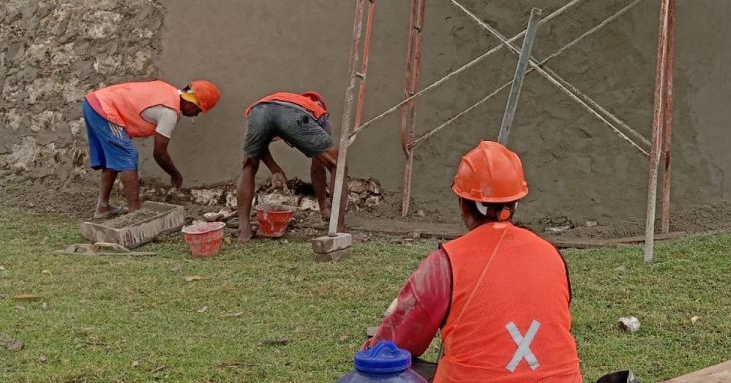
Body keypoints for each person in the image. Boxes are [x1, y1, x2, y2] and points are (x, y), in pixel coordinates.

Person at [366, 141, 583, 382]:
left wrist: (369, 349)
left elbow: (393, 344)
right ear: (515, 203)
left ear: (462, 204)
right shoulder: (551, 255)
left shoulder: (445, 264)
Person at [82, 79, 221, 218]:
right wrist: (175, 175)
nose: (196, 114)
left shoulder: (168, 91)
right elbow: (159, 152)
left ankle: (103, 207)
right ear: (191, 101)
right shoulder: (169, 112)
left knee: (114, 157)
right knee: (128, 156)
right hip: (104, 107)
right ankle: (135, 214)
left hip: (95, 102)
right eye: (198, 110)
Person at [236, 90, 343, 241]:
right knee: (339, 166)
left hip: (259, 110)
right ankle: (339, 227)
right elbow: (317, 169)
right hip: (291, 114)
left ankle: (244, 230)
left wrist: (275, 169)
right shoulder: (319, 115)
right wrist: (323, 207)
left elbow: (259, 147)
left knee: (249, 165)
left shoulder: (288, 100)